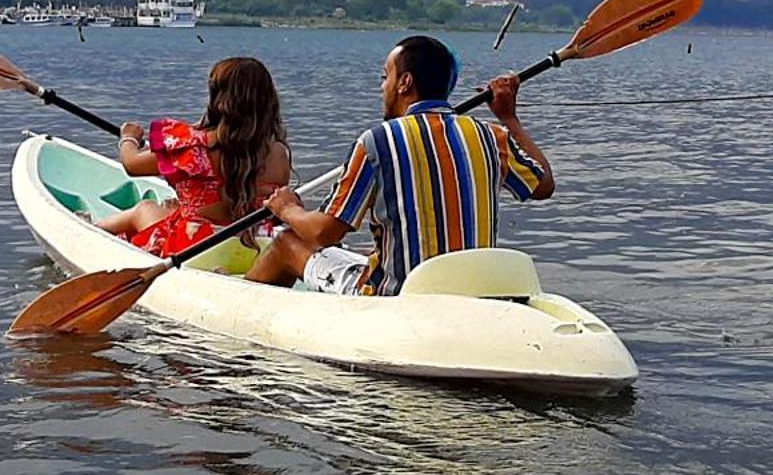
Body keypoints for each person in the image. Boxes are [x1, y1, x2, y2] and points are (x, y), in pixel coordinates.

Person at [247, 35, 553, 295]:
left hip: (398, 295)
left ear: (405, 82)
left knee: (286, 241)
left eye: (386, 76)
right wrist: (509, 117)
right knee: (362, 254)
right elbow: (543, 186)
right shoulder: (493, 135)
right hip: (472, 290)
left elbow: (324, 233)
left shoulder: (376, 142)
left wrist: (286, 208)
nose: (383, 87)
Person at [96, 56, 292, 258]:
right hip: (253, 248)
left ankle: (89, 229)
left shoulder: (194, 147)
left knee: (144, 209)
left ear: (218, 99)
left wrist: (128, 138)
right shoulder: (279, 154)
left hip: (193, 249)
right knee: (169, 213)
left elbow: (132, 164)